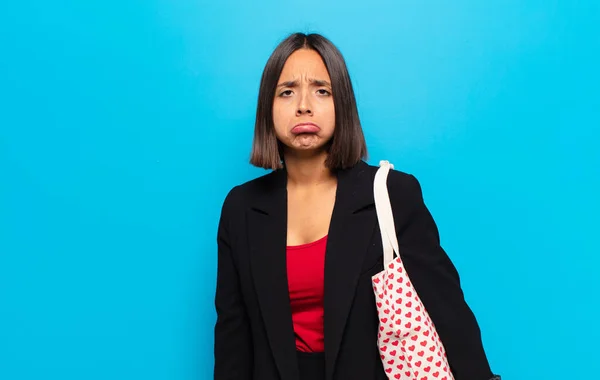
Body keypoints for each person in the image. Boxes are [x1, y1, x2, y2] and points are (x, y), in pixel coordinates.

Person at [213, 32, 500, 380]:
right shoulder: (241, 207)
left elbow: (448, 313)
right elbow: (233, 333)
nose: (304, 104)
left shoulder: (393, 194)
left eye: (322, 90)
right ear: (267, 107)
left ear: (342, 104)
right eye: (287, 91)